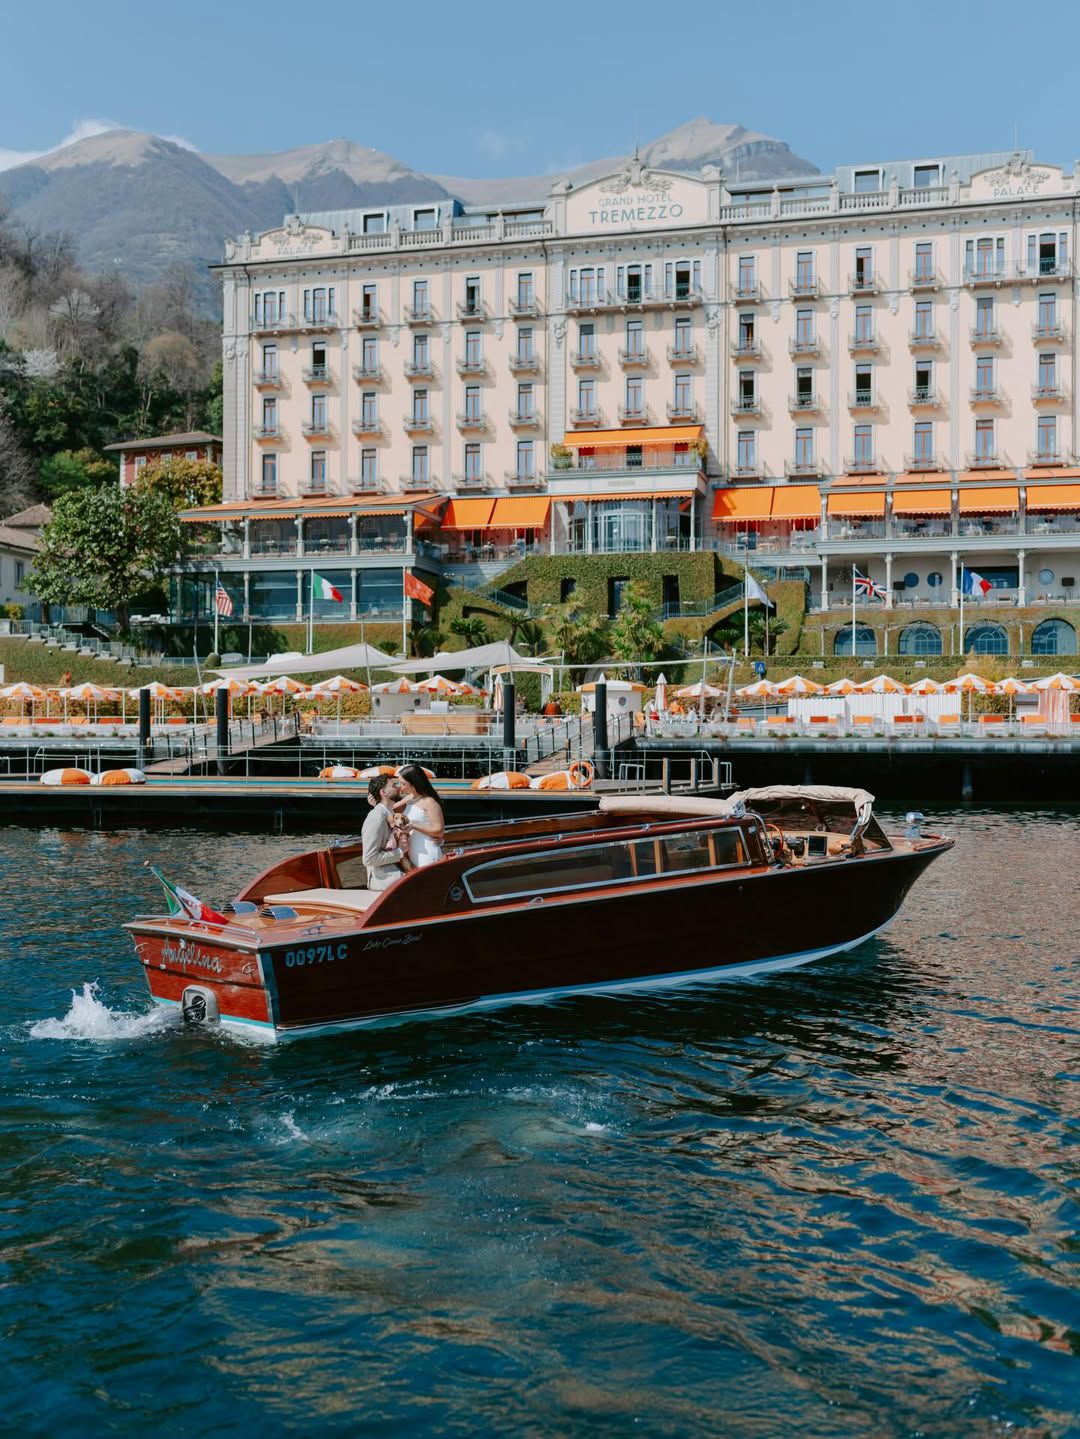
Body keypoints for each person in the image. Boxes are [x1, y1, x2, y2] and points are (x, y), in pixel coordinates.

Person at [361, 774, 409, 891]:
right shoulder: (376, 817)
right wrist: (400, 852)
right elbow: (369, 859)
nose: (398, 787)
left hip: (399, 876)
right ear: (384, 792)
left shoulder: (389, 814)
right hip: (387, 881)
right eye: (394, 785)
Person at [394, 763, 445, 868]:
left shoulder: (429, 802)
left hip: (427, 854)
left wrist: (414, 826)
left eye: (403, 784)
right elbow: (392, 809)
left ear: (414, 784)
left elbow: (439, 831)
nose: (400, 788)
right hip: (414, 853)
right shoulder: (409, 799)